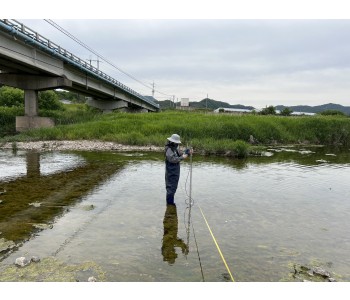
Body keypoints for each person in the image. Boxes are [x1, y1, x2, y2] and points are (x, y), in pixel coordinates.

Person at [164, 134, 192, 205]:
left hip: (175, 172)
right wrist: (183, 157)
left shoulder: (175, 148)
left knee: (174, 188)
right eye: (176, 143)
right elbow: (173, 159)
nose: (177, 144)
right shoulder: (169, 150)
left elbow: (180, 153)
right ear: (172, 142)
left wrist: (187, 152)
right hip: (171, 173)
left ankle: (170, 204)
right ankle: (170, 205)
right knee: (171, 189)